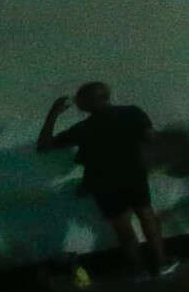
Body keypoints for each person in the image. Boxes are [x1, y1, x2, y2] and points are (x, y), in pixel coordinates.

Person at [40, 80, 164, 272]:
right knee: (147, 217)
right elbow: (152, 138)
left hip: (103, 182)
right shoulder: (132, 113)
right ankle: (160, 262)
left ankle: (138, 268)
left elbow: (44, 145)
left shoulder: (83, 128)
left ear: (87, 103)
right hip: (134, 174)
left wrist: (53, 114)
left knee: (123, 228)